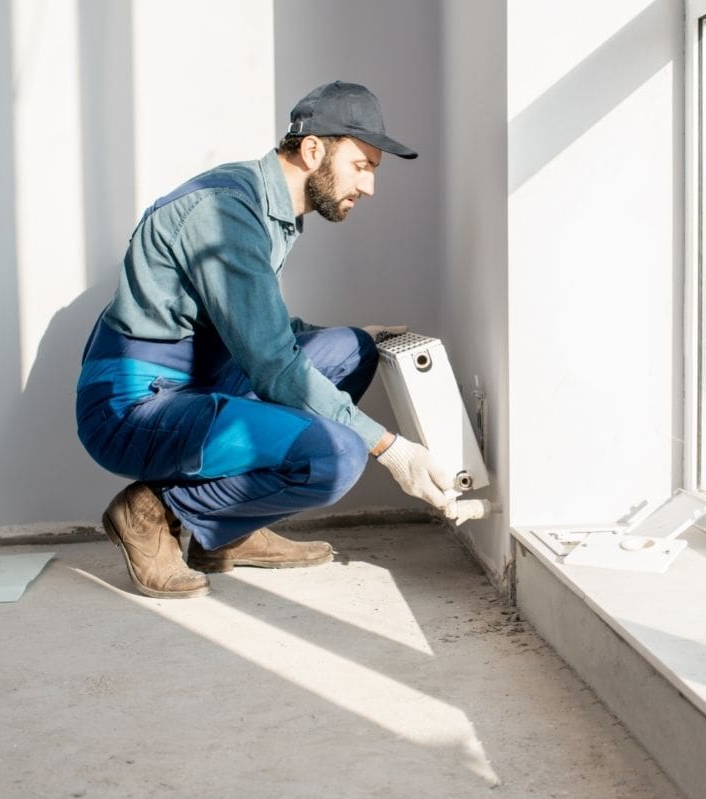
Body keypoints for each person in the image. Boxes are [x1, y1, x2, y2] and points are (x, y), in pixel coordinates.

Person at [76, 81, 458, 599]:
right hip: (135, 407)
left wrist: (359, 336)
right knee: (335, 455)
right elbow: (273, 364)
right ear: (313, 149)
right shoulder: (225, 215)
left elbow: (255, 329)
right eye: (362, 166)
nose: (369, 187)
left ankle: (223, 533)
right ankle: (150, 510)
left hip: (195, 379)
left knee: (351, 350)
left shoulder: (267, 207)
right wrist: (390, 449)